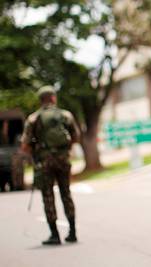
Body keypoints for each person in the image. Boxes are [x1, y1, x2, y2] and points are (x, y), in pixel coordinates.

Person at [21, 86, 80, 245]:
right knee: (66, 193)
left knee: (48, 196)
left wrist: (36, 149)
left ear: (41, 100)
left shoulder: (34, 119)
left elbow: (25, 145)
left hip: (45, 162)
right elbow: (75, 137)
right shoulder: (65, 115)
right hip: (63, 160)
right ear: (53, 98)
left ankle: (54, 235)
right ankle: (72, 232)